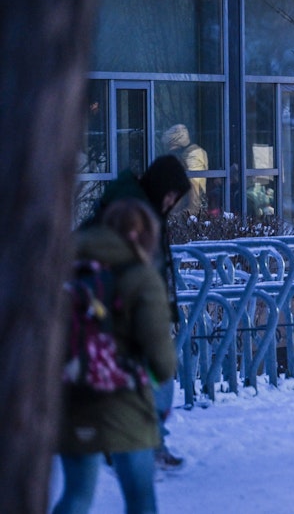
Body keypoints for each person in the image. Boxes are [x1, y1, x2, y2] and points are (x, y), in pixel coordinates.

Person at [53, 199, 178, 514]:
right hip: (126, 403)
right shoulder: (141, 276)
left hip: (71, 394)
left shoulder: (65, 268)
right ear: (141, 235)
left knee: (76, 495)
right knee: (140, 499)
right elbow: (161, 358)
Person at [86, 154, 191, 470]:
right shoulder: (134, 214)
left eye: (176, 197)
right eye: (171, 193)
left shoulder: (137, 208)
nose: (171, 201)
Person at [162, 124, 209, 216]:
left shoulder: (193, 155)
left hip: (188, 213)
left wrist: (181, 215)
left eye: (172, 147)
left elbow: (195, 190)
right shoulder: (185, 156)